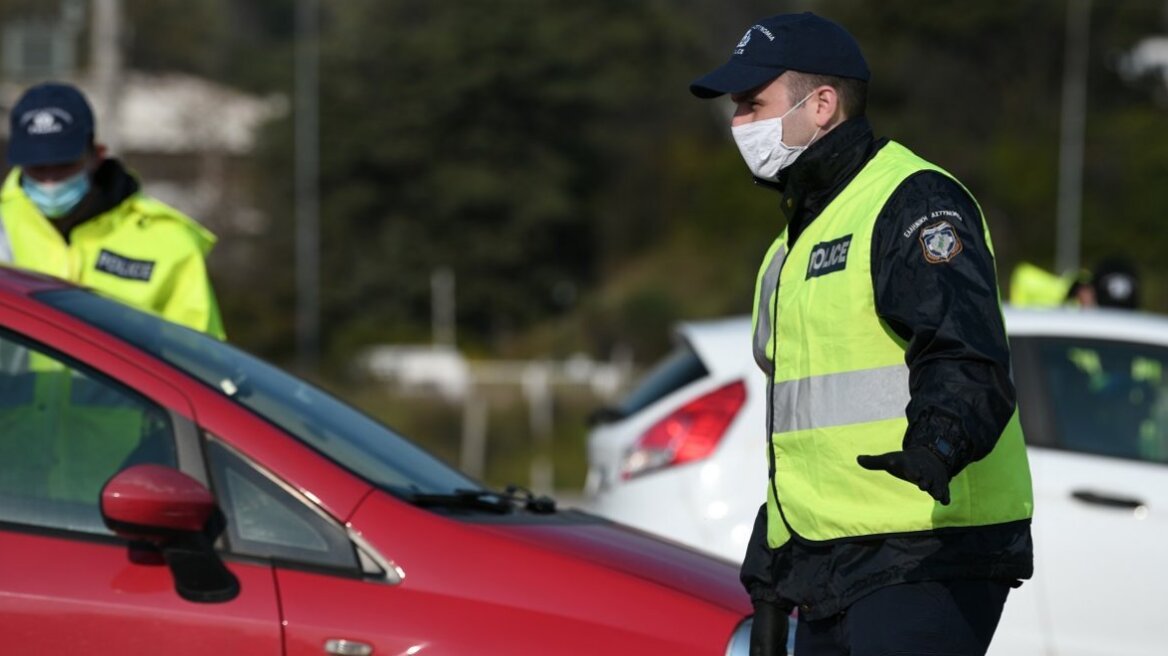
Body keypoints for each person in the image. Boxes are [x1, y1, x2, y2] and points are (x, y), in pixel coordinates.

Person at [689, 13, 1034, 655]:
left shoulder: (913, 202)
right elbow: (795, 442)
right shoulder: (787, 252)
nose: (739, 124)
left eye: (751, 104)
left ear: (822, 104)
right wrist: (769, 586)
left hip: (931, 550)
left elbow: (964, 351)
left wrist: (937, 442)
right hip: (832, 567)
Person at [0, 82, 224, 338]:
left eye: (63, 165)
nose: (50, 181)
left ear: (97, 156)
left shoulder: (168, 243)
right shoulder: (2, 227)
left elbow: (201, 358)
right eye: (38, 167)